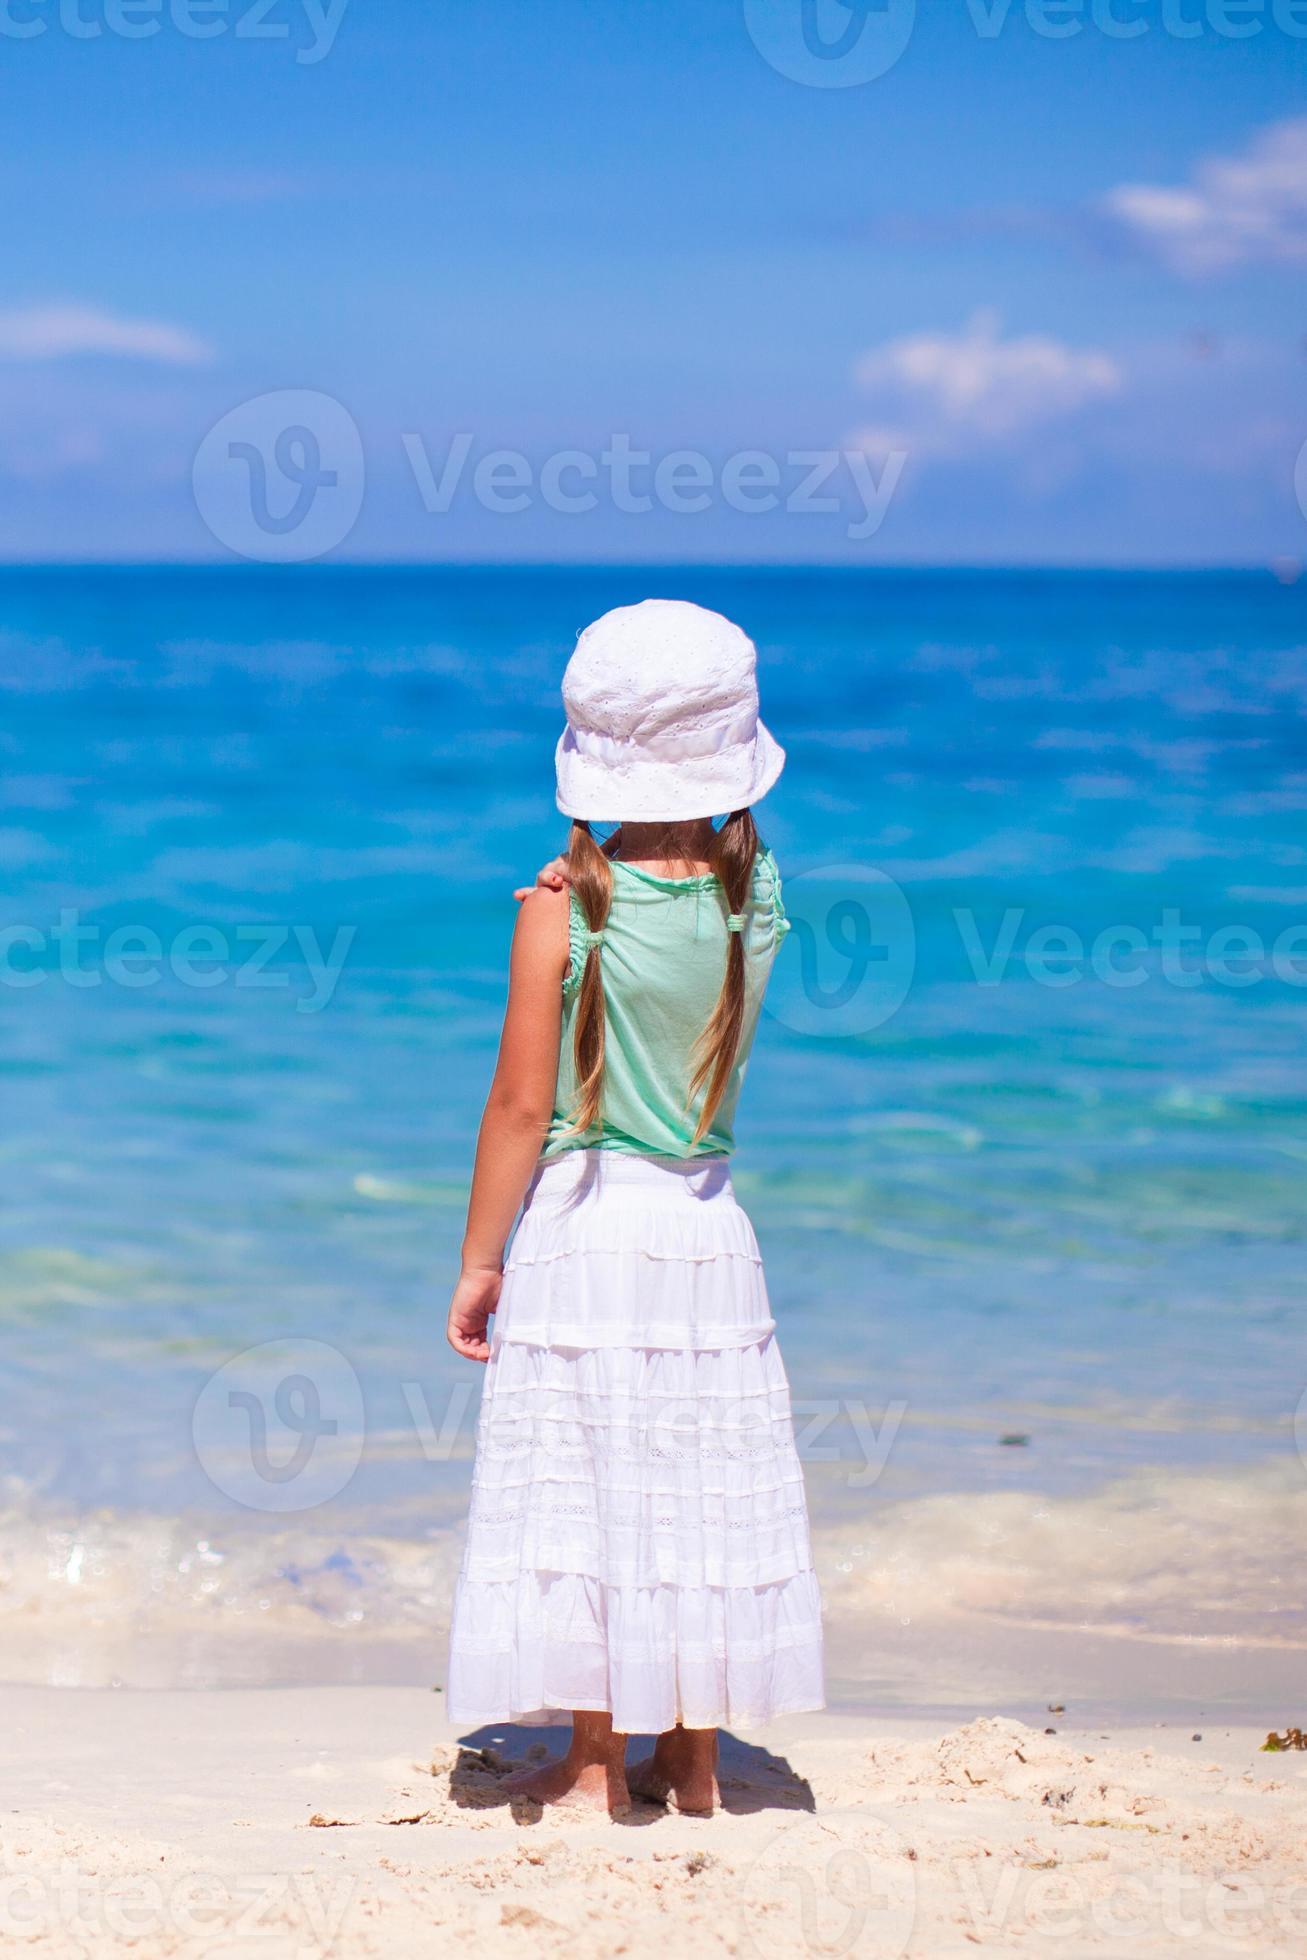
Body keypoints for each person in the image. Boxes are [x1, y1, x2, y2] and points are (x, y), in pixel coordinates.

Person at [445, 598, 823, 1815]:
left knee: (595, 1481)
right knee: (693, 1482)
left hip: (585, 1219)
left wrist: (476, 1259)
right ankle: (696, 1757)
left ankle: (599, 1761)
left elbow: (517, 1106)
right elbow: (711, 872)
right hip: (708, 1225)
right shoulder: (753, 891)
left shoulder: (561, 910)